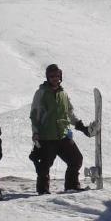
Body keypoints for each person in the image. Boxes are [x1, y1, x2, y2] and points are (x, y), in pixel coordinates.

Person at [30, 63, 92, 194]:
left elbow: (69, 113)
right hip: (46, 137)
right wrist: (35, 133)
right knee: (44, 166)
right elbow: (34, 114)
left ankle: (72, 186)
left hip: (63, 136)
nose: (54, 78)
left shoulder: (63, 93)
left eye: (57, 76)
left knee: (76, 159)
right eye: (51, 76)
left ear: (60, 76)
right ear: (47, 77)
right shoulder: (41, 93)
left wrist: (81, 127)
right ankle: (43, 191)